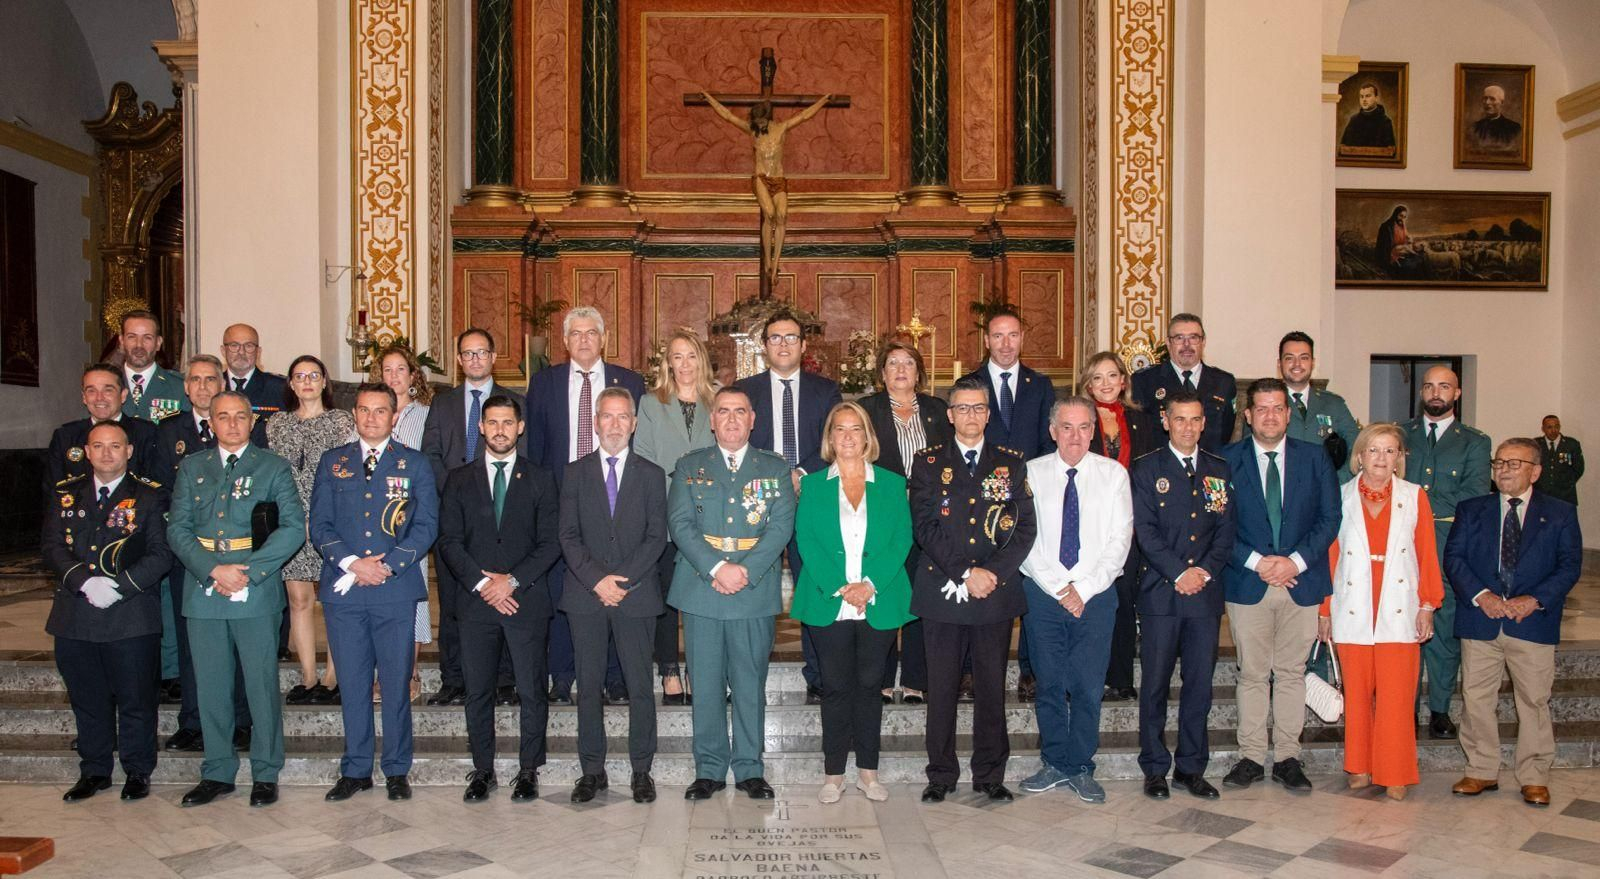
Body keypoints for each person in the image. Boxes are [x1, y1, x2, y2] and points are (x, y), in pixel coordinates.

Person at [167, 391, 305, 807]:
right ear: (210, 422)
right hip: (205, 589)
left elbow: (293, 528)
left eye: (240, 416)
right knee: (211, 687)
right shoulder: (193, 467)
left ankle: (265, 771)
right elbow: (178, 529)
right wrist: (213, 569)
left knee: (260, 686)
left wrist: (250, 571)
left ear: (252, 421)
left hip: (255, 590)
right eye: (222, 417)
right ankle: (217, 771)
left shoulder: (273, 467)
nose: (231, 424)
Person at [910, 376, 1037, 803]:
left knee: (991, 687)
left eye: (979, 407)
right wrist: (966, 572)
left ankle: (990, 773)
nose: (971, 415)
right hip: (943, 590)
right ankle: (941, 773)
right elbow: (925, 526)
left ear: (988, 414)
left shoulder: (1010, 463)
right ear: (950, 415)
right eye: (962, 407)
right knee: (942, 688)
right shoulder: (928, 462)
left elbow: (1024, 528)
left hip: (993, 594)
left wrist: (991, 574)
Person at [310, 383, 438, 803]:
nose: (371, 418)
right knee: (353, 682)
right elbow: (320, 525)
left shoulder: (414, 463)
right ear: (354, 414)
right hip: (345, 591)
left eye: (380, 410)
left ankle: (397, 768)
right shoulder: (333, 462)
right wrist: (352, 563)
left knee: (396, 683)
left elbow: (426, 526)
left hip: (394, 590)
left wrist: (388, 565)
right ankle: (356, 768)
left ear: (395, 416)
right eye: (364, 410)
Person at [667, 386, 796, 801]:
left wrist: (745, 570)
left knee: (749, 684)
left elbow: (781, 526)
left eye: (740, 411)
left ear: (753, 419)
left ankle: (749, 768)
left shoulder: (774, 468)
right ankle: (708, 769)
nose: (732, 419)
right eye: (724, 411)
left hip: (752, 590)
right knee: (704, 684)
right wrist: (717, 568)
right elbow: (680, 523)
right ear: (712, 420)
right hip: (702, 586)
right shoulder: (689, 466)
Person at [437, 394, 563, 803]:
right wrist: (482, 583)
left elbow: (550, 542)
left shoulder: (541, 478)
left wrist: (512, 581)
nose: (500, 430)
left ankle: (528, 770)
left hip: (525, 600)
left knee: (531, 690)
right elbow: (449, 541)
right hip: (475, 604)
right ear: (481, 427)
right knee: (478, 691)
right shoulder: (459, 479)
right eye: (492, 422)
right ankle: (483, 770)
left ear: (520, 427)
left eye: (508, 422)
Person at [1219, 378, 1340, 794]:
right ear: (1248, 415)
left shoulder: (1315, 458)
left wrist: (1294, 562)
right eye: (1262, 409)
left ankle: (1289, 757)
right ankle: (1251, 757)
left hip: (1300, 580)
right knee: (1252, 673)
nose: (1270, 416)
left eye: (1277, 408)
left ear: (1288, 414)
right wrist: (1258, 562)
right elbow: (1218, 523)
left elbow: (1330, 518)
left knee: (1291, 673)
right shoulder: (1225, 460)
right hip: (1247, 580)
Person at [1447, 437, 1582, 807]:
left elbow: (1569, 565)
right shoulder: (1471, 509)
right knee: (1476, 698)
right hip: (1481, 618)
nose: (1503, 469)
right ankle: (1481, 769)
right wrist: (1482, 596)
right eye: (1499, 462)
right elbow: (1454, 558)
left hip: (1532, 621)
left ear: (1535, 471)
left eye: (1514, 463)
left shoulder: (1560, 513)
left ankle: (1535, 776)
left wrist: (1534, 599)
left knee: (1534, 701)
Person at [43, 422, 172, 802]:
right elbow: (51, 546)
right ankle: (94, 770)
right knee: (87, 700)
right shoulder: (65, 494)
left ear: (129, 451)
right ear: (86, 452)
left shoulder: (150, 495)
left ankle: (137, 770)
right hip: (75, 615)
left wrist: (119, 588)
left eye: (115, 446)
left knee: (136, 700)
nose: (106, 453)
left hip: (130, 616)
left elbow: (161, 553)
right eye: (98, 446)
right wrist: (83, 582)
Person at [792, 401, 913, 804]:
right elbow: (806, 540)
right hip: (829, 599)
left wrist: (870, 585)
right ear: (829, 438)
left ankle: (868, 773)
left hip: (879, 598)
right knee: (835, 687)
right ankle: (833, 775)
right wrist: (843, 587)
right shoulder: (813, 485)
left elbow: (902, 538)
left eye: (855, 428)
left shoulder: (892, 484)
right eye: (839, 429)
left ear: (867, 437)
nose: (847, 436)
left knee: (870, 686)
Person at [525, 306, 646, 705]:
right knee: (565, 586)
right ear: (564, 341)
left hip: (616, 499)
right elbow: (536, 447)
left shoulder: (630, 382)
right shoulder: (544, 383)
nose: (583, 340)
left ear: (603, 338)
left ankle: (614, 675)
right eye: (575, 333)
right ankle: (562, 674)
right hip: (563, 498)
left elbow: (639, 445)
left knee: (614, 583)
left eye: (591, 332)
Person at [1317, 424, 1443, 801]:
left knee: (1396, 696)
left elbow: (1427, 554)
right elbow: (1330, 557)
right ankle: (1359, 765)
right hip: (1352, 605)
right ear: (1359, 456)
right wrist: (1324, 610)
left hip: (1399, 606)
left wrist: (1428, 605)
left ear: (1399, 458)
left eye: (1390, 451)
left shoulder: (1415, 496)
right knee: (1356, 694)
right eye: (1373, 450)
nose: (1381, 458)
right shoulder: (1340, 496)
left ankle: (1395, 770)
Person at [1016, 397, 1132, 802]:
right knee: (1048, 683)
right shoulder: (1030, 473)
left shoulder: (1113, 474)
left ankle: (1081, 765)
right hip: (1043, 594)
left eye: (1084, 427)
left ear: (1093, 432)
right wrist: (1058, 588)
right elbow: (1023, 538)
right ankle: (1053, 761)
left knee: (1087, 685)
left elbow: (1120, 540)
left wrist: (1082, 589)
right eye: (1067, 427)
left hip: (1095, 595)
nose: (1076, 436)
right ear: (1053, 431)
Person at [558, 388, 669, 803]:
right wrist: (597, 581)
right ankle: (592, 770)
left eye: (624, 417)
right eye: (608, 416)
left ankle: (642, 770)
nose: (616, 424)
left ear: (634, 423)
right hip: (585, 595)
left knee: (640, 686)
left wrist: (620, 581)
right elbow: (567, 535)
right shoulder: (574, 473)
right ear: (595, 422)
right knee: (588, 687)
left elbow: (656, 536)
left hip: (635, 595)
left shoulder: (652, 474)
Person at [1132, 390, 1235, 800]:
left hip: (1204, 597)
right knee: (1155, 684)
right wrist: (1179, 573)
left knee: (1199, 686)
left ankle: (1191, 768)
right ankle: (1155, 767)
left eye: (1195, 420)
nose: (1188, 427)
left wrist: (1203, 572)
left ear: (1204, 423)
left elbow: (1226, 531)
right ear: (1165, 421)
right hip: (1161, 594)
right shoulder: (1146, 468)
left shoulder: (1218, 469)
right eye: (1180, 419)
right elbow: (1145, 531)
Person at [736, 311, 842, 704]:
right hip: (756, 503)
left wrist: (800, 472)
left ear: (804, 344)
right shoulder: (744, 390)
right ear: (764, 346)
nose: (783, 344)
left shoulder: (825, 390)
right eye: (776, 338)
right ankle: (746, 675)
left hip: (811, 498)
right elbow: (736, 440)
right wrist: (774, 478)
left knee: (813, 587)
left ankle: (818, 674)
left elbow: (835, 441)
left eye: (791, 337)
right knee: (750, 590)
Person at [421, 327, 526, 707]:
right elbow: (431, 454)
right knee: (453, 600)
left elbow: (526, 458)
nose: (475, 359)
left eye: (482, 352)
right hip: (455, 515)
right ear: (459, 360)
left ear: (494, 357)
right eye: (468, 353)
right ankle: (454, 678)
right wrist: (459, 492)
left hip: (502, 516)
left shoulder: (516, 402)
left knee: (504, 595)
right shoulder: (442, 404)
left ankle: (505, 679)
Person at [958, 308, 1056, 701]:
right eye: (998, 336)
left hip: (1028, 499)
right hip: (979, 504)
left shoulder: (1040, 385)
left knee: (1029, 583)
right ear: (987, 341)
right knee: (977, 579)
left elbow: (1048, 444)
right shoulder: (971, 383)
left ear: (1022, 339)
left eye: (1013, 335)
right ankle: (969, 671)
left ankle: (1030, 669)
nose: (1005, 343)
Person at [152, 355, 247, 754]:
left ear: (222, 384)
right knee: (192, 645)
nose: (204, 386)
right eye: (196, 380)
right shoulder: (167, 432)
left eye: (211, 379)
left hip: (238, 559)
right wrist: (192, 548)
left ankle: (241, 721)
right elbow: (159, 492)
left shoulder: (245, 427)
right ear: (186, 387)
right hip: (190, 559)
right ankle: (192, 721)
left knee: (239, 643)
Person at [857, 340, 950, 705]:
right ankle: (879, 677)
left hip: (929, 516)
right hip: (883, 515)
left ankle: (915, 678)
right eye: (893, 363)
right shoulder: (868, 410)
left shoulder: (937, 410)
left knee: (919, 595)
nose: (900, 369)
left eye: (908, 363)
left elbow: (950, 461)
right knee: (882, 590)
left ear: (918, 372)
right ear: (882, 373)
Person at [1401, 366, 1491, 740]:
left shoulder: (1473, 442)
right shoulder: (1400, 434)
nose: (1435, 393)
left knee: (1444, 630)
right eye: (1429, 386)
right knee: (1404, 628)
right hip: (1403, 544)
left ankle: (1439, 708)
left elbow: (1473, 495)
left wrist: (1414, 501)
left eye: (1444, 386)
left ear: (1457, 393)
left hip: (1448, 544)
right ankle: (1404, 708)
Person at [631, 329, 715, 706]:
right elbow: (644, 458)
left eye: (691, 356)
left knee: (701, 598)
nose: (684, 364)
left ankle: (700, 670)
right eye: (677, 356)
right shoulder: (651, 403)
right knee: (665, 597)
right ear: (668, 363)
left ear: (701, 360)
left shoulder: (717, 400)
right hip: (664, 511)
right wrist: (682, 480)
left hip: (710, 516)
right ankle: (668, 670)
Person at [267, 355, 355, 706]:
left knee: (332, 600)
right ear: (290, 384)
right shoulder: (277, 424)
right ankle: (307, 676)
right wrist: (292, 518)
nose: (306, 381)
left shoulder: (341, 421)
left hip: (331, 520)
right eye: (299, 376)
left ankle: (332, 677)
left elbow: (348, 473)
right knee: (298, 600)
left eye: (313, 375)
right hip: (290, 521)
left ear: (324, 382)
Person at [1080, 350, 1159, 703]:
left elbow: (1151, 471)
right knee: (1089, 600)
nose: (1105, 383)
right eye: (1097, 377)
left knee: (1123, 601)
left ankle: (1121, 678)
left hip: (1130, 524)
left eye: (1112, 376)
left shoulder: (1142, 421)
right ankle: (1086, 677)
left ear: (1124, 381)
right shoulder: (1078, 419)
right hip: (1087, 524)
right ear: (1088, 384)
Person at [699, 87, 832, 288]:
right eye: (756, 121)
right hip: (761, 177)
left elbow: (805, 115)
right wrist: (709, 99)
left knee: (782, 216)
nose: (758, 124)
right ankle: (768, 262)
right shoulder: (752, 131)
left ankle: (775, 264)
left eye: (761, 121)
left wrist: (823, 100)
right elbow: (727, 115)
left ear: (767, 118)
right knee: (769, 213)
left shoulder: (782, 128)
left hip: (778, 178)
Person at [370, 344, 437, 700]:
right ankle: (381, 672)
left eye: (400, 369)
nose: (394, 376)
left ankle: (409, 672)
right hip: (370, 521)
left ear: (413, 375)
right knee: (376, 598)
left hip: (410, 521)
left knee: (413, 596)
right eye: (387, 370)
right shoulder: (368, 412)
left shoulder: (427, 415)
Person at [1132, 313, 1237, 451]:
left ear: (1203, 342)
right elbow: (1140, 436)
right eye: (1179, 338)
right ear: (1168, 343)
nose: (1186, 344)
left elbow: (1226, 433)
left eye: (1193, 337)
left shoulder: (1224, 382)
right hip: (1162, 462)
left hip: (1209, 462)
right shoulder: (1145, 380)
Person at [46, 364, 158, 493]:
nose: (99, 398)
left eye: (108, 390)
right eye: (91, 391)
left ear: (123, 395)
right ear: (84, 397)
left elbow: (155, 490)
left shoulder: (147, 434)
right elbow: (53, 492)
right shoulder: (66, 437)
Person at [1278, 331, 1359, 483]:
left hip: (1325, 490)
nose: (1297, 364)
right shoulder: (1266, 405)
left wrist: (1335, 481)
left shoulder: (1334, 404)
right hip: (1281, 490)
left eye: (1304, 358)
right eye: (1289, 358)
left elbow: (1357, 447)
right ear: (1279, 363)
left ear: (1312, 363)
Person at [220, 323, 287, 445]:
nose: (241, 352)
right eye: (234, 345)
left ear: (258, 352)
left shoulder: (280, 388)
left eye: (249, 346)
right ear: (223, 351)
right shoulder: (213, 386)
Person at [118, 310, 188, 423]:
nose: (139, 345)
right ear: (121, 341)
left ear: (158, 343)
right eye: (132, 337)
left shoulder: (180, 387)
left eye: (147, 338)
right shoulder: (107, 385)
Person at [1534, 415, 1583, 506]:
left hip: (1565, 496)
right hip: (1541, 494)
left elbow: (1579, 468)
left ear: (1560, 427)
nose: (1553, 430)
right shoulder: (1536, 444)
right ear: (1543, 429)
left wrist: (1566, 483)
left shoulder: (1571, 444)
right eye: (1549, 427)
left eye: (1556, 426)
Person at [1340, 82, 1397, 149]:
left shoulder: (1385, 122)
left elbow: (1390, 149)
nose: (1364, 100)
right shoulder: (1354, 120)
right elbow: (1343, 147)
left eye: (1368, 96)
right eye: (1362, 97)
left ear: (1376, 98)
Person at [1469, 84, 1523, 150]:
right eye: (1485, 98)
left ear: (1502, 102)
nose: (1487, 102)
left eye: (1492, 99)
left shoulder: (1514, 128)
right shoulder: (1474, 128)